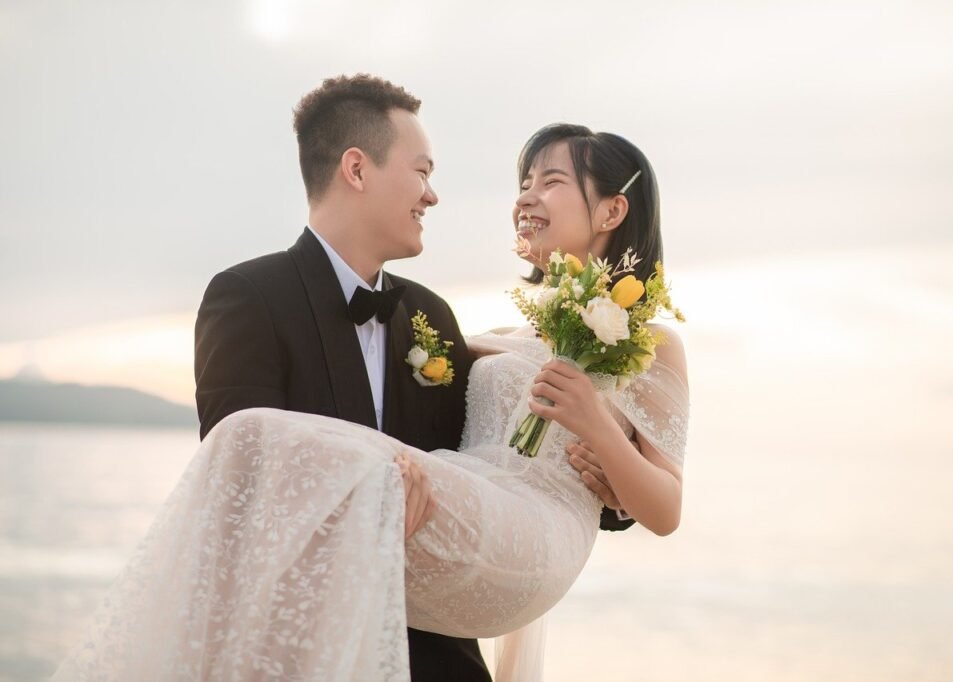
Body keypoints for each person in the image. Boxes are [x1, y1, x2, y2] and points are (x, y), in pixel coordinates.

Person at [50, 81, 688, 681]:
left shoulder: (433, 318)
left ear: (612, 206)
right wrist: (380, 480)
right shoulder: (249, 297)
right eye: (423, 172)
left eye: (548, 181)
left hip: (438, 648)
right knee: (255, 435)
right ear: (357, 170)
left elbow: (587, 478)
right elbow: (240, 478)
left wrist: (610, 479)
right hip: (300, 649)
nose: (433, 195)